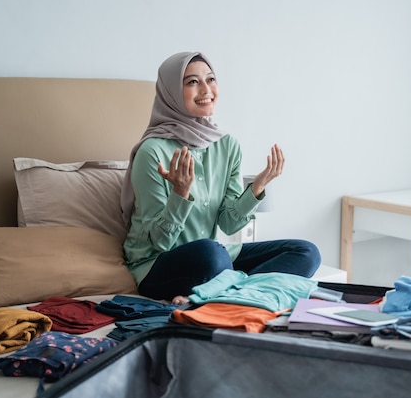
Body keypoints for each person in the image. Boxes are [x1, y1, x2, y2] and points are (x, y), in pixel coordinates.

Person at [120, 51, 321, 304]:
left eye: (210, 79)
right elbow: (159, 242)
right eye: (192, 82)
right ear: (171, 92)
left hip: (216, 260)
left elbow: (228, 224)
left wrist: (256, 188)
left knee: (306, 252)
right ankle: (234, 291)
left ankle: (218, 294)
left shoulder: (227, 146)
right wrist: (180, 194)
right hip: (158, 264)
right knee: (212, 253)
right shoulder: (152, 151)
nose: (206, 89)